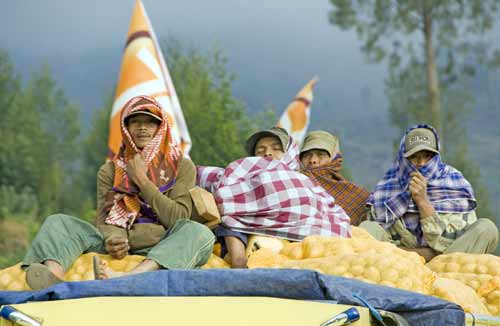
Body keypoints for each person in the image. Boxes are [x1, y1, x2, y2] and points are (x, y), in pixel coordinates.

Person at [23, 95, 215, 290]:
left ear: (160, 128)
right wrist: (115, 239)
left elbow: (178, 217)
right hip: (123, 242)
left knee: (199, 232)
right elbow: (104, 219)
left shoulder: (182, 165)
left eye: (150, 123)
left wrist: (141, 179)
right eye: (135, 122)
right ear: (126, 129)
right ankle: (53, 278)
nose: (142, 128)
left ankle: (131, 278)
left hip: (163, 241)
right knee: (59, 222)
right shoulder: (110, 170)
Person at [197, 127, 351, 268]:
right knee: (230, 212)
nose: (268, 153)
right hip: (246, 219)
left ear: (290, 154)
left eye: (276, 149)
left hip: (287, 233)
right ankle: (238, 260)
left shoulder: (302, 180)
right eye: (260, 150)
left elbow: (322, 208)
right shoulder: (243, 174)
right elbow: (219, 184)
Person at [360, 124, 498, 262]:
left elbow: (460, 241)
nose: (421, 163)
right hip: (399, 263)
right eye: (414, 157)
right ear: (404, 159)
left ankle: (441, 275)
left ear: (437, 157)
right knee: (367, 229)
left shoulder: (454, 183)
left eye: (428, 156)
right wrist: (423, 255)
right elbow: (380, 241)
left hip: (447, 264)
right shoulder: (389, 186)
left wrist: (422, 201)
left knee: (487, 228)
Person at [300, 130, 370, 226]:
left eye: (321, 154)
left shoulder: (357, 196)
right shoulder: (294, 185)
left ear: (334, 159)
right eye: (307, 155)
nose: (313, 160)